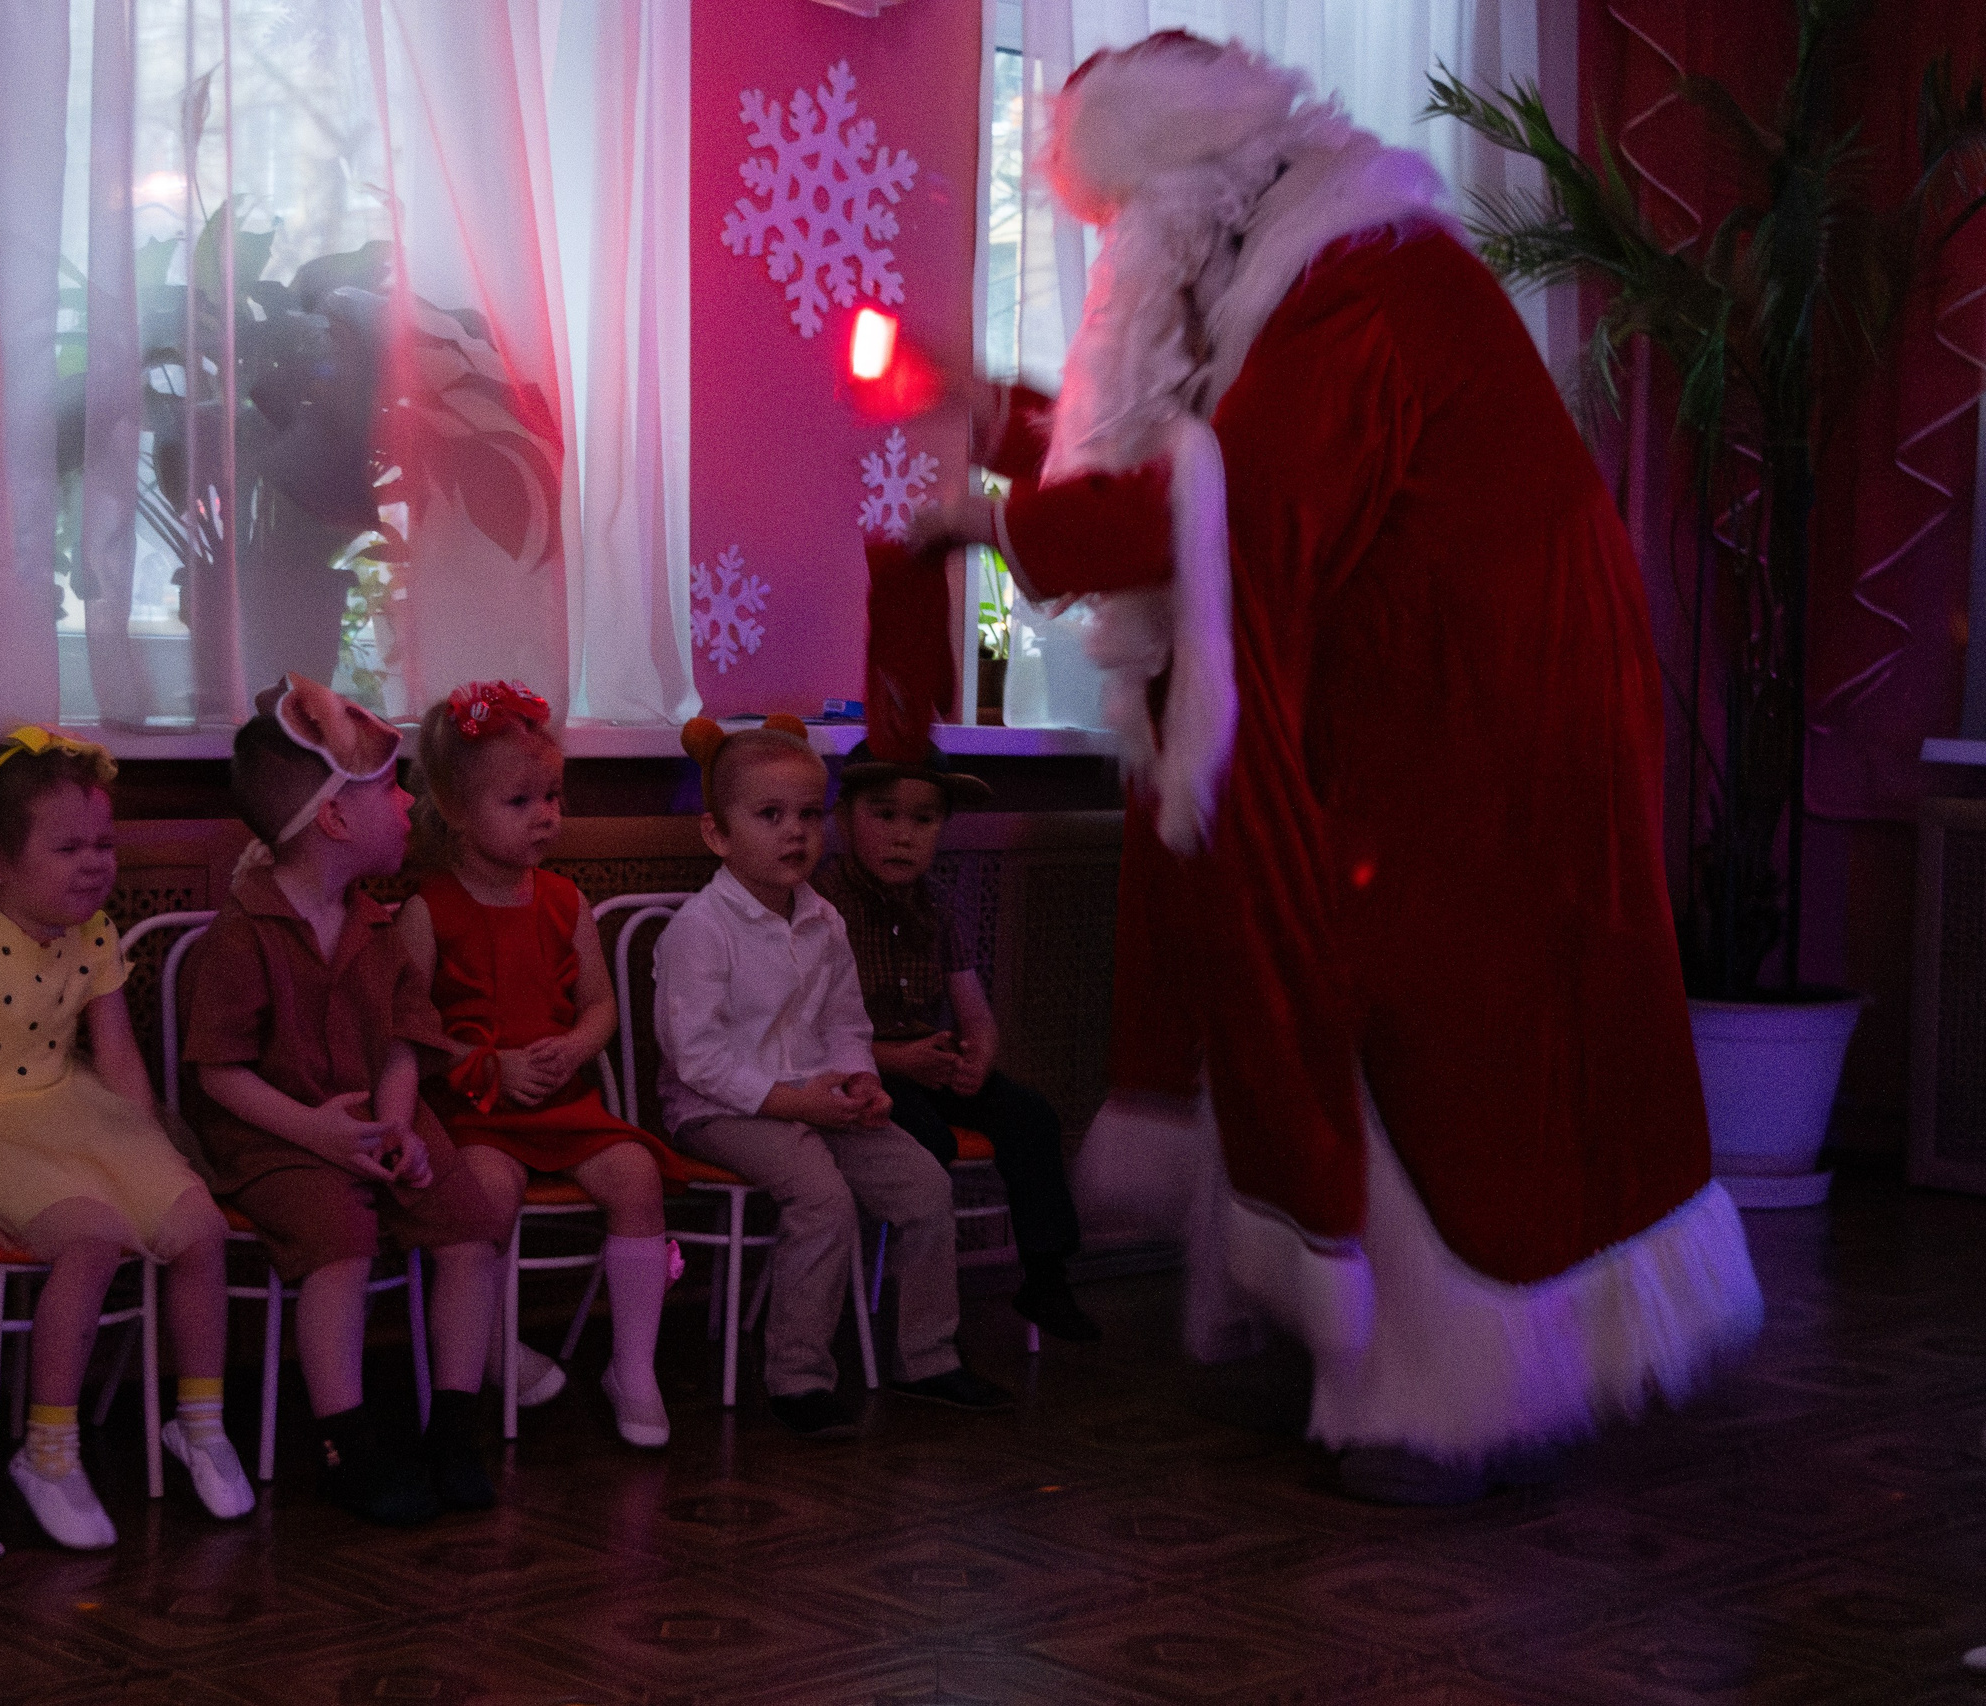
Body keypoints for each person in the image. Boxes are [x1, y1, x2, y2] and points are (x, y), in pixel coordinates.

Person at [903, 31, 1761, 1501]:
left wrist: (997, 524)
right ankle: (1356, 1361)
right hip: (1413, 720)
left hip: (1467, 747)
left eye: (1119, 228)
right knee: (1356, 1009)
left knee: (1435, 1042)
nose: (1114, 262)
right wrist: (1013, 430)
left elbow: (1239, 503)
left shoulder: (1364, 293)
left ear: (1186, 199)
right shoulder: (1307, 278)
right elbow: (1210, 454)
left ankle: (1453, 1395)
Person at [0, 727, 252, 1549]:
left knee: (200, 1227)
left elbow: (120, 1058)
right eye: (68, 848)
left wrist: (155, 1147)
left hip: (71, 1106)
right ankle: (49, 1449)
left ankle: (199, 1420)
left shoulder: (94, 933)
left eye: (104, 843)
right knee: (93, 1239)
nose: (95, 863)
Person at [179, 674, 507, 1526]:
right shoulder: (243, 933)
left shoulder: (375, 922)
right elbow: (220, 1074)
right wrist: (315, 1135)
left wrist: (398, 1118)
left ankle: (454, 1426)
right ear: (333, 818)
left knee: (469, 1220)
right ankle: (345, 1440)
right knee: (340, 1234)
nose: (407, 803)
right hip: (275, 1130)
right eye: (390, 789)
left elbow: (403, 1037)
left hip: (372, 1116)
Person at [655, 718, 1009, 1439]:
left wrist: (859, 1081)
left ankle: (927, 1357)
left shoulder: (824, 920)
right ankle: (798, 1376)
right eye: (770, 816)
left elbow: (845, 1022)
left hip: (815, 1096)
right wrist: (793, 1102)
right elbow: (697, 1058)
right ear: (718, 836)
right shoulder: (700, 929)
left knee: (924, 1184)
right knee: (822, 1199)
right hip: (719, 1107)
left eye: (810, 816)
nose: (796, 834)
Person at [398, 679, 694, 1450]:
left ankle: (634, 1367)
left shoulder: (564, 901)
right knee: (487, 1192)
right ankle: (492, 1353)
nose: (546, 816)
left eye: (554, 797)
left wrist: (576, 1046)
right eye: (520, 801)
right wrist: (489, 1063)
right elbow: (411, 1031)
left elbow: (599, 1006)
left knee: (636, 1177)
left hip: (562, 1101)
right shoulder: (429, 908)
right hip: (477, 1107)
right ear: (456, 812)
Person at [812, 738, 1095, 1343]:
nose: (904, 835)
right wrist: (895, 1060)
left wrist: (978, 1057)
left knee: (1030, 1117)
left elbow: (975, 1012)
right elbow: (806, 1034)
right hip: (861, 1071)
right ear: (844, 819)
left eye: (924, 820)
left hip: (929, 1062)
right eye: (884, 816)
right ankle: (910, 1310)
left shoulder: (936, 907)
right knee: (925, 1140)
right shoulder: (823, 906)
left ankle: (1045, 1277)